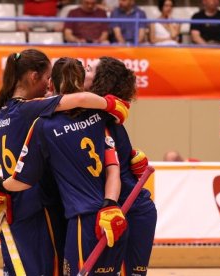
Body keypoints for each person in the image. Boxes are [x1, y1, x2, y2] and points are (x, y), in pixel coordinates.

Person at [0, 49, 130, 275]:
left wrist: (1, 186)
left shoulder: (3, 111)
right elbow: (77, 99)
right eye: (46, 79)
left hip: (12, 203)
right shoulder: (35, 112)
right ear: (33, 77)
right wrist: (110, 104)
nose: (47, 87)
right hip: (39, 205)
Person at [87, 56, 157, 276]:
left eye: (89, 69)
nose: (83, 71)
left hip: (131, 210)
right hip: (111, 209)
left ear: (101, 80)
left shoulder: (106, 117)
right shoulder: (92, 115)